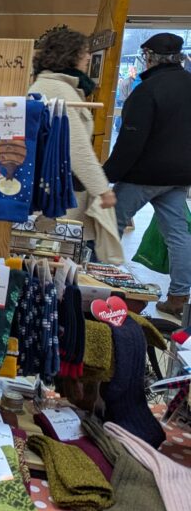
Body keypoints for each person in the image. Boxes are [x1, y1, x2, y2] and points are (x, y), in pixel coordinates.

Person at [105, 32, 191, 318]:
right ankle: (179, 297)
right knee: (178, 233)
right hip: (180, 175)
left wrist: (107, 174)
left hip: (143, 175)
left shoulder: (147, 90)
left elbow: (130, 141)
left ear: (151, 57)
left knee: (110, 223)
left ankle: (100, 283)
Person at [27, 27, 118, 259]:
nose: (88, 57)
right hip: (61, 192)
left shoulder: (54, 85)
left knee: (51, 256)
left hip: (57, 187)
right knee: (54, 257)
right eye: (84, 52)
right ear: (69, 54)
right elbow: (76, 147)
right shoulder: (58, 89)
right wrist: (102, 189)